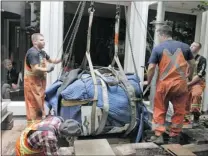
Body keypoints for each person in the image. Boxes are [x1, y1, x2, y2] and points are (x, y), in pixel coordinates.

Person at [146, 25, 195, 144]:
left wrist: (148, 81)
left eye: (158, 35)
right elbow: (192, 64)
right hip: (180, 85)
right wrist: (189, 77)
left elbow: (151, 67)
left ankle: (159, 136)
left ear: (162, 34)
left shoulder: (158, 48)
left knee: (160, 109)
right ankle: (174, 137)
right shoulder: (185, 47)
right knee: (179, 110)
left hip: (164, 85)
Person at [24, 33, 62, 126]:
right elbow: (35, 68)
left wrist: (62, 59)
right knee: (33, 105)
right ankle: (32, 127)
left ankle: (39, 124)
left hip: (39, 84)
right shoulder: (32, 53)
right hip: (32, 84)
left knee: (40, 103)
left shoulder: (42, 52)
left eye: (43, 40)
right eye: (41, 40)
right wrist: (47, 69)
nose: (44, 41)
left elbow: (52, 60)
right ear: (34, 42)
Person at [15, 114, 82, 156]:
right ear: (66, 136)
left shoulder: (58, 119)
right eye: (70, 138)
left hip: (30, 134)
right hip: (24, 147)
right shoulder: (50, 137)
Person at [185, 42, 206, 127]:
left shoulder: (202, 59)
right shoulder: (184, 58)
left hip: (196, 82)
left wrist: (189, 83)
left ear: (198, 49)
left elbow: (200, 74)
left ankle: (196, 117)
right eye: (191, 45)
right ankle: (186, 119)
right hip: (185, 82)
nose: (192, 47)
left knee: (196, 95)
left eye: (194, 46)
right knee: (185, 100)